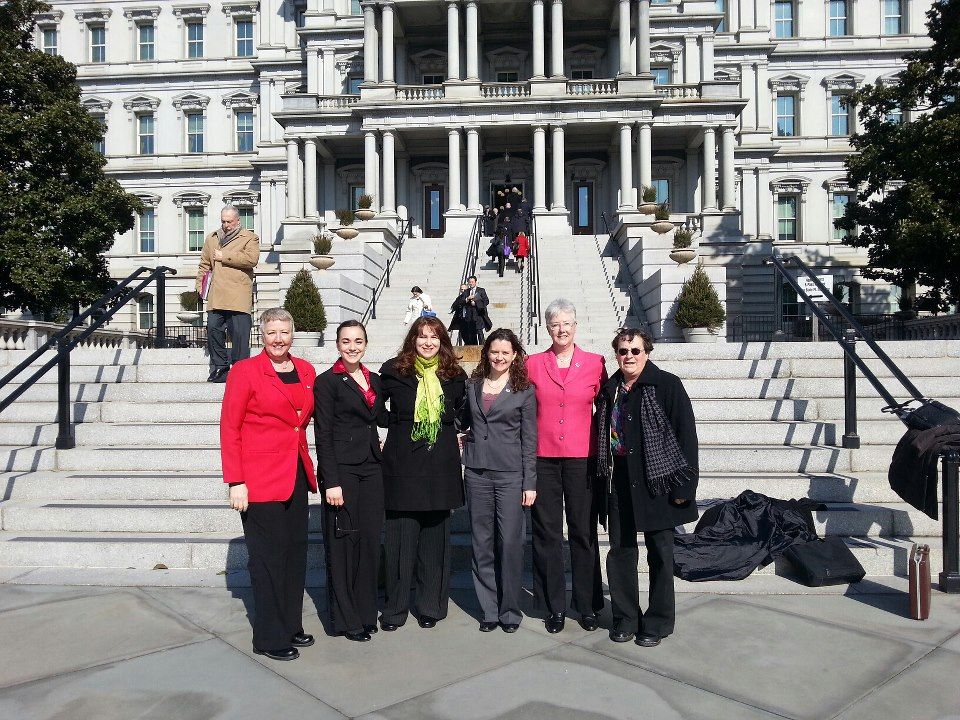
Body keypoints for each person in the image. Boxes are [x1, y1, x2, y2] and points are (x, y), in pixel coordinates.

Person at [220, 307, 317, 661]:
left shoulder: (306, 370)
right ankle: (269, 635)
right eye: (272, 332)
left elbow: (306, 419)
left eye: (284, 332)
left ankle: (290, 624)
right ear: (262, 335)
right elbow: (229, 428)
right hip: (258, 479)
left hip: (295, 474)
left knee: (294, 555)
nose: (278, 339)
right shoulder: (245, 371)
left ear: (293, 335)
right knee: (268, 559)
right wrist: (236, 481)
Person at [595, 328, 699, 647]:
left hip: (658, 479)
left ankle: (657, 621)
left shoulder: (667, 385)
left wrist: (685, 487)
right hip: (619, 478)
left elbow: (686, 438)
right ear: (616, 354)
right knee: (622, 551)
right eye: (623, 351)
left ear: (647, 352)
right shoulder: (610, 388)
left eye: (635, 351)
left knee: (660, 552)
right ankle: (626, 617)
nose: (629, 356)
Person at [378, 316, 468, 631]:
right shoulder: (393, 371)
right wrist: (398, 425)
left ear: (442, 340)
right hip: (402, 462)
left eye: (434, 337)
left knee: (435, 542)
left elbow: (463, 413)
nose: (427, 342)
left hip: (439, 464)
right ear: (412, 340)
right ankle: (395, 609)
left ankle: (430, 605)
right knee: (400, 541)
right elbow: (376, 409)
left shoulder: (455, 375)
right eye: (421, 336)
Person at [525, 298, 606, 634]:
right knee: (546, 533)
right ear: (547, 328)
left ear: (576, 327)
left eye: (566, 324)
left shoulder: (595, 363)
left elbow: (605, 409)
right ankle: (551, 605)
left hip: (580, 457)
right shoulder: (531, 363)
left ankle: (587, 604)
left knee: (583, 532)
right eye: (555, 324)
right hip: (543, 457)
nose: (561, 330)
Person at [460, 329, 538, 633]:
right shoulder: (472, 385)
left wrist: (529, 481)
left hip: (510, 475)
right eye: (495, 351)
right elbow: (462, 420)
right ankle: (489, 610)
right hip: (477, 472)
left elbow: (529, 439)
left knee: (510, 542)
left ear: (515, 355)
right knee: (482, 542)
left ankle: (510, 610)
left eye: (506, 352)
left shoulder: (524, 390)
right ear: (486, 353)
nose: (500, 357)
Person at [314, 320, 384, 642]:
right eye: (346, 341)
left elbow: (381, 418)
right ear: (338, 345)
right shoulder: (327, 382)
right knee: (344, 543)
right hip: (342, 470)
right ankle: (346, 618)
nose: (352, 346)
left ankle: (367, 613)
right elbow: (323, 433)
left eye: (358, 341)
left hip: (372, 468)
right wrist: (331, 481)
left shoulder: (375, 380)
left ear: (366, 344)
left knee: (369, 541)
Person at [197, 205, 260, 383]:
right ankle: (220, 367)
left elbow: (251, 260)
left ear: (237, 221)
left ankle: (240, 370)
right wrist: (199, 286)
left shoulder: (249, 237)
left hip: (238, 293)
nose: (226, 225)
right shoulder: (212, 238)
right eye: (223, 221)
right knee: (213, 330)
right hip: (216, 294)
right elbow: (204, 265)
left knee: (239, 334)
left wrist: (224, 255)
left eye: (229, 221)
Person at [456, 276, 490, 346]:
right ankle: (473, 347)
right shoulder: (466, 291)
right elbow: (461, 301)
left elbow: (486, 301)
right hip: (469, 316)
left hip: (478, 314)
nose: (471, 283)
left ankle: (482, 347)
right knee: (471, 333)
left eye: (472, 282)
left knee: (479, 331)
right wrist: (467, 298)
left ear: (475, 282)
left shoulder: (481, 290)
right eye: (470, 282)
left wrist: (476, 303)